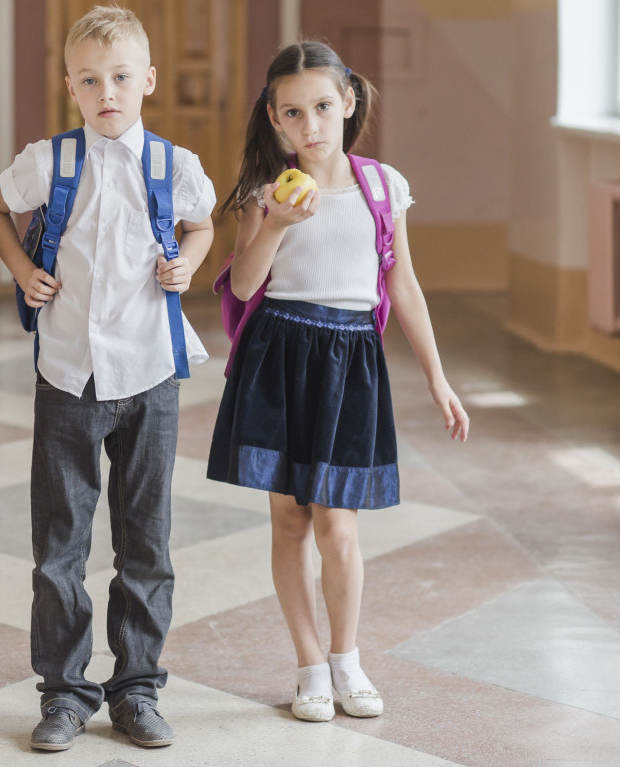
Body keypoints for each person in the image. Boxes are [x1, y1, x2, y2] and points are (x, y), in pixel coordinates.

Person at [207, 40, 470, 723]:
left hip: (350, 360)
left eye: (323, 107)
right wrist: (276, 223)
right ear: (274, 118)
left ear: (349, 103)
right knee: (290, 519)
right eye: (293, 113)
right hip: (280, 353)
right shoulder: (264, 193)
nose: (311, 125)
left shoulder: (384, 186)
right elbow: (241, 282)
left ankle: (347, 658)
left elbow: (403, 286)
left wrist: (438, 378)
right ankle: (308, 666)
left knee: (339, 525)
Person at [0, 5, 215, 752]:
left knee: (145, 542)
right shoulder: (49, 162)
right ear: (70, 86)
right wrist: (22, 269)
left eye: (119, 75)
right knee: (61, 544)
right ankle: (64, 690)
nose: (105, 89)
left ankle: (138, 686)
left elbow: (203, 224)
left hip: (151, 373)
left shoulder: (173, 165)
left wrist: (190, 261)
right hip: (68, 375)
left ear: (145, 79)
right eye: (89, 78)